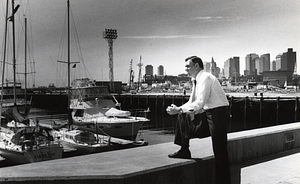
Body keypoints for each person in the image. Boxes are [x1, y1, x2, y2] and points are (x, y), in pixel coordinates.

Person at [166, 56, 231, 184]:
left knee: (220, 151)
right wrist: (179, 109)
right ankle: (184, 150)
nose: (186, 70)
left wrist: (179, 110)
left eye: (187, 67)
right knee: (182, 115)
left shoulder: (205, 77)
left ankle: (223, 182)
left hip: (218, 114)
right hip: (208, 113)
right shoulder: (196, 79)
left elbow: (200, 103)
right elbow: (192, 102)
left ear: (196, 66)